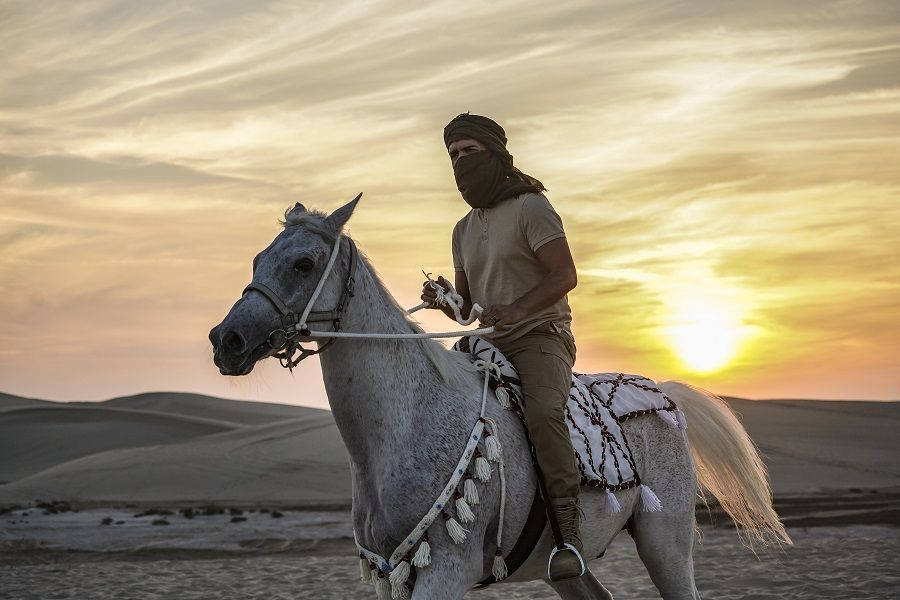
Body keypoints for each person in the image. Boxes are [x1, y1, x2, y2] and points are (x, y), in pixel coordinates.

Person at [421, 112, 583, 581]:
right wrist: (444, 301)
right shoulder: (461, 229)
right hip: (484, 343)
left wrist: (517, 310)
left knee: (543, 415)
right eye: (453, 155)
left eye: (468, 151)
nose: (460, 162)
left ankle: (568, 529)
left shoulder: (532, 207)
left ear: (494, 153)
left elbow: (564, 276)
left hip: (540, 337)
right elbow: (467, 308)